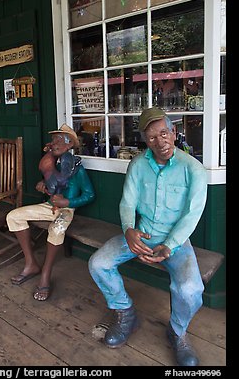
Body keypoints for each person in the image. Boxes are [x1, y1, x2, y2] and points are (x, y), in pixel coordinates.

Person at [88, 107, 207, 366]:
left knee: (190, 289)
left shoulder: (193, 170)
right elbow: (128, 202)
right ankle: (125, 312)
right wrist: (129, 229)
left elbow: (191, 215)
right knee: (99, 263)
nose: (159, 141)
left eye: (164, 133)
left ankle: (177, 332)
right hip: (140, 236)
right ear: (145, 139)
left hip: (176, 242)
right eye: (152, 137)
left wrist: (170, 244)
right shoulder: (138, 164)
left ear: (174, 133)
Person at [6, 124, 95, 301]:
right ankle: (31, 264)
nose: (55, 143)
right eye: (54, 139)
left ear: (69, 145)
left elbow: (89, 194)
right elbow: (53, 182)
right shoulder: (54, 163)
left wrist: (68, 201)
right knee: (13, 216)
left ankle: (45, 274)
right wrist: (43, 185)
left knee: (56, 229)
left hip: (66, 209)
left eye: (60, 140)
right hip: (49, 206)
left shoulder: (76, 168)